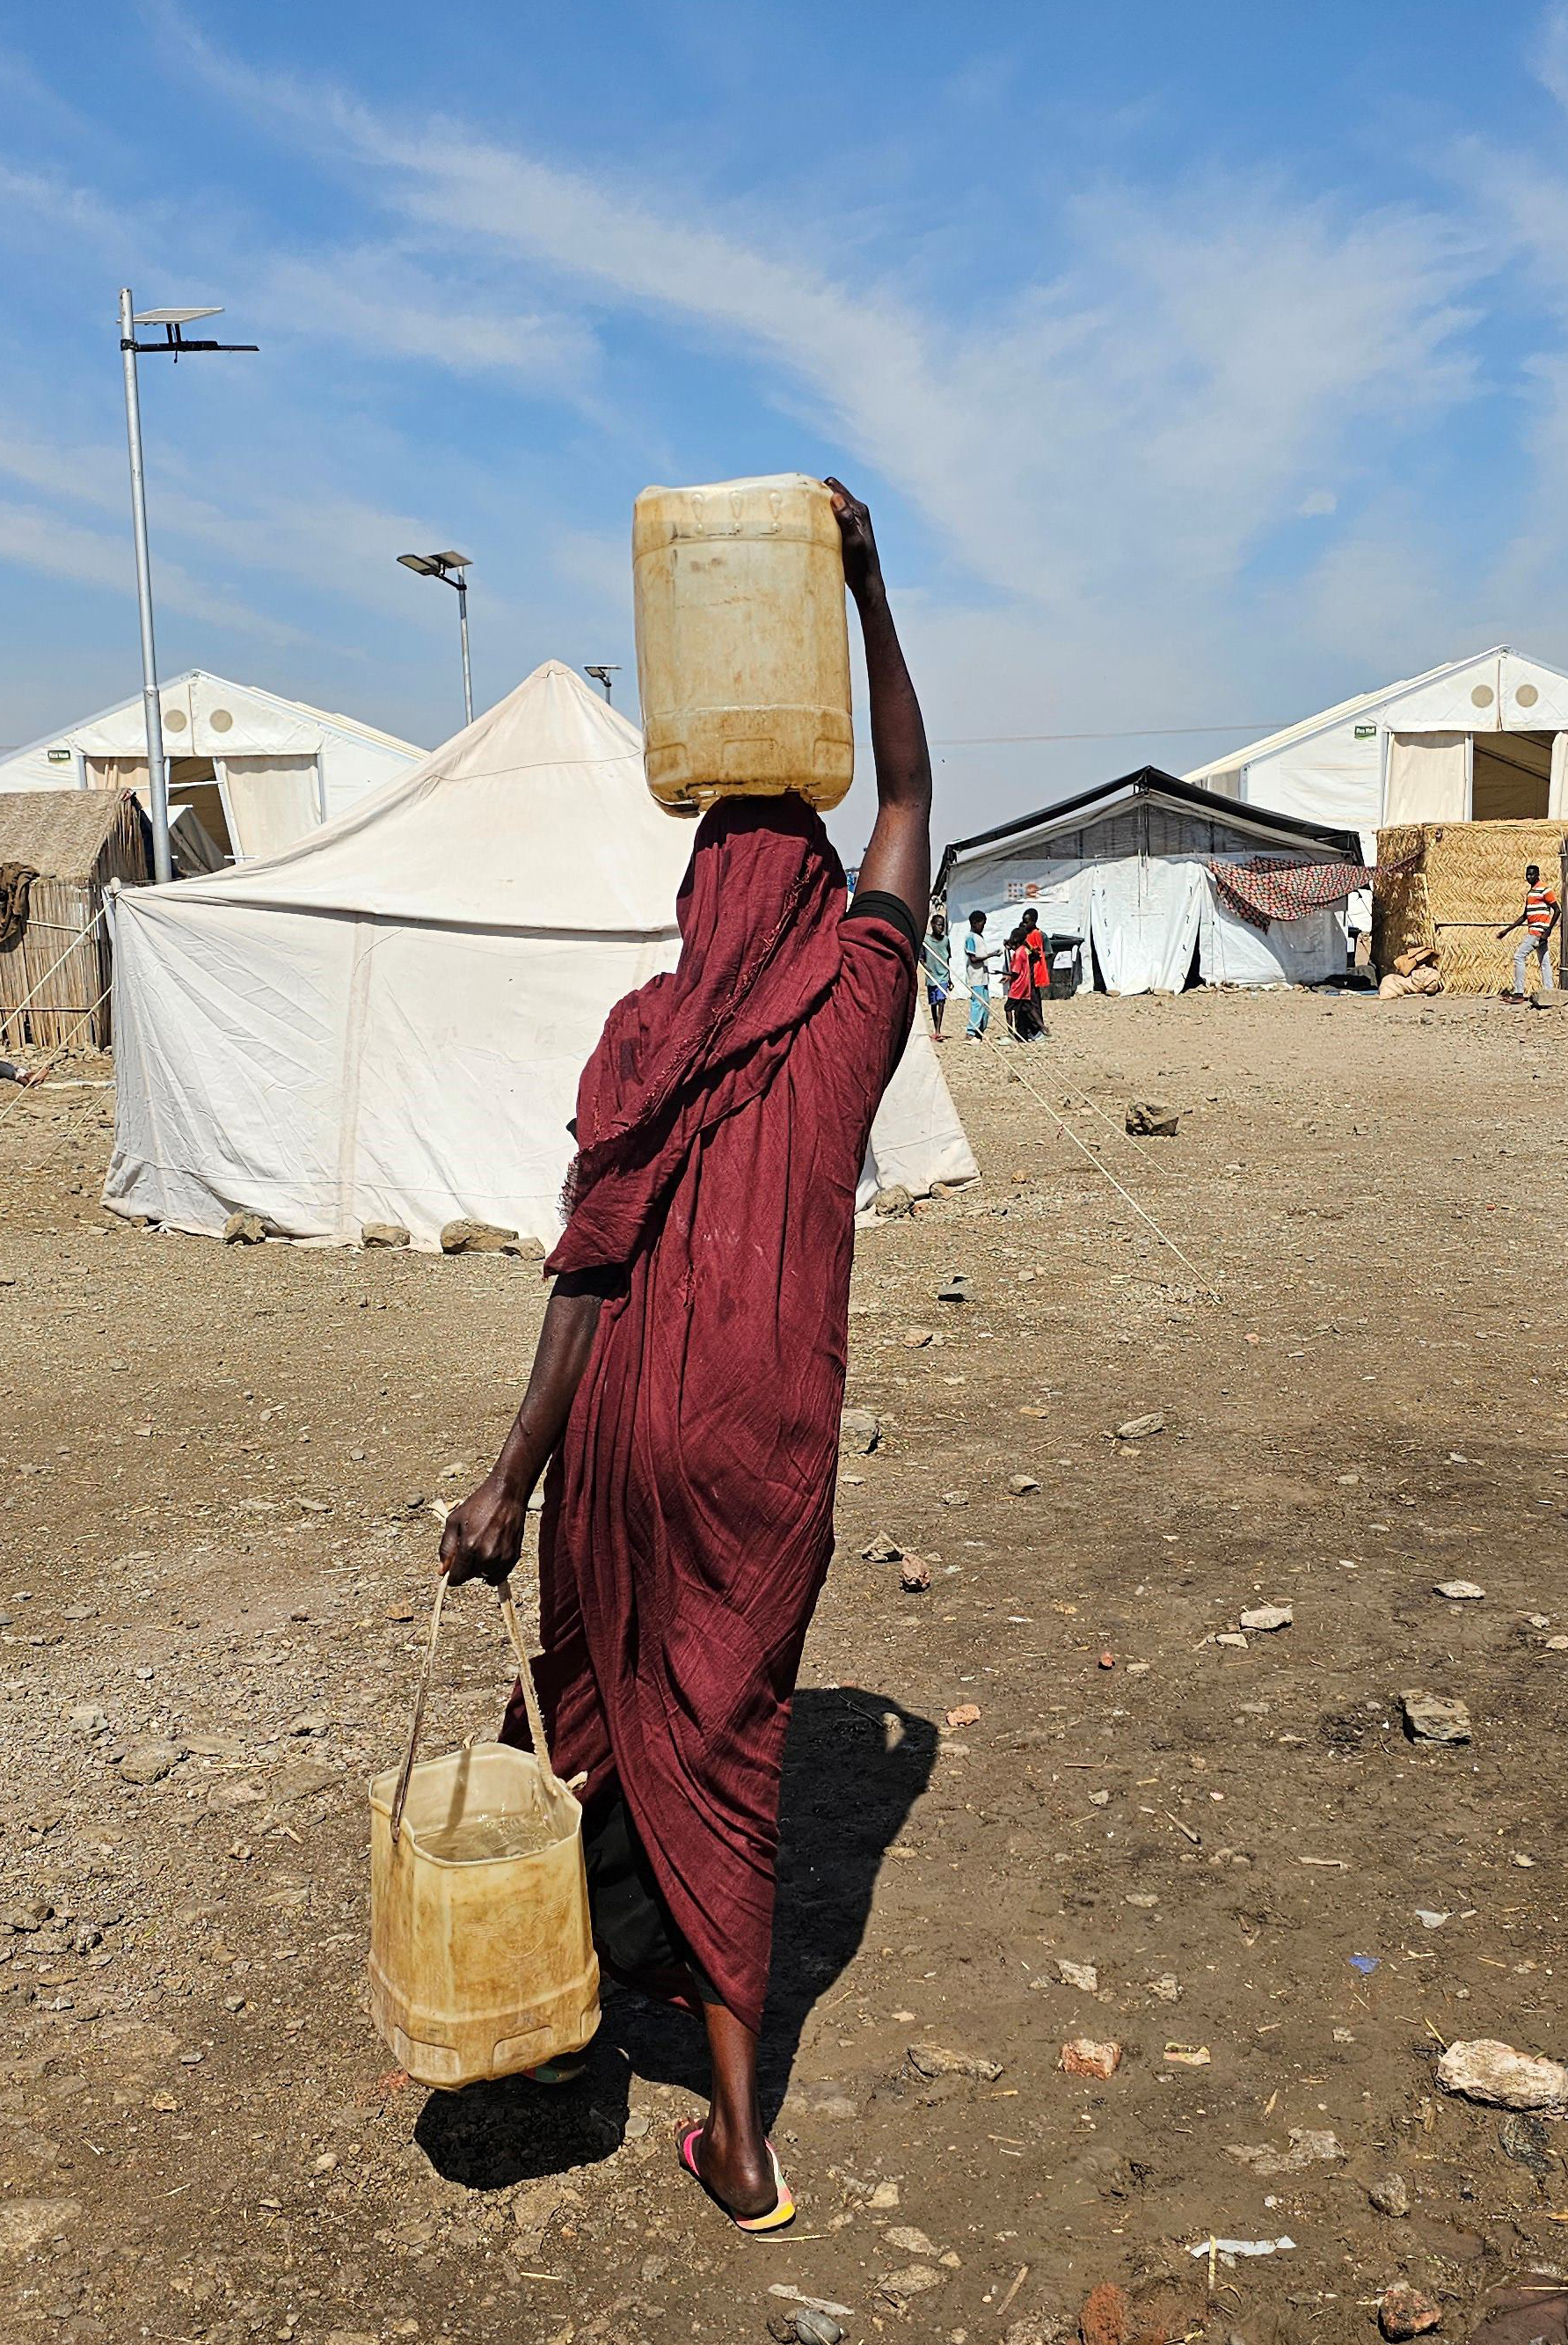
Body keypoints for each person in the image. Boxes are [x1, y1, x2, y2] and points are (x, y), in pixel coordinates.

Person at [441, 477, 930, 2236]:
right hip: (756, 1447)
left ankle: (540, 1991)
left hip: (617, 1444)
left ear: (687, 901)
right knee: (727, 1749)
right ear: (809, 900)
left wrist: (511, 1475)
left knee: (590, 1700)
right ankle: (739, 2141)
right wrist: (868, 593)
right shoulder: (851, 1008)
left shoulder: (639, 1035)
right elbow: (914, 799)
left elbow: (580, 1275)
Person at [1504, 863, 1562, 1000]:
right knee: (1544, 962)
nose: (1529, 877)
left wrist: (1547, 931)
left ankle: (1519, 992)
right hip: (1539, 933)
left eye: (1532, 874)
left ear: (1538, 875)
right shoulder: (1531, 893)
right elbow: (1525, 916)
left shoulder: (1544, 890)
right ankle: (1549, 991)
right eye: (1527, 875)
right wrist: (1507, 930)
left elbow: (1557, 910)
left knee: (1519, 956)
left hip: (1537, 932)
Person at [1005, 909, 1047, 1043]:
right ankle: (1028, 1031)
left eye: (1026, 921)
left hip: (1030, 978)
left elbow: (1039, 954)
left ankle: (1037, 1031)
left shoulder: (1036, 935)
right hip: (1026, 978)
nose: (1024, 923)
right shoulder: (1023, 940)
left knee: (1031, 1005)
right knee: (1025, 1007)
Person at [959, 909, 999, 1041]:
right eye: (982, 923)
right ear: (975, 923)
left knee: (985, 1003)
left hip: (983, 976)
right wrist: (992, 954)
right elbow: (973, 959)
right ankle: (971, 1032)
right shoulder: (970, 938)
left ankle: (980, 1030)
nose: (983, 927)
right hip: (975, 977)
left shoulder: (979, 937)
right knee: (978, 1003)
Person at [921, 909, 954, 1041]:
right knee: (933, 1004)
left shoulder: (946, 941)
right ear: (932, 925)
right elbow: (921, 958)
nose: (941, 928)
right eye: (939, 925)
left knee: (941, 1002)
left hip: (943, 977)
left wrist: (950, 978)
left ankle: (938, 1030)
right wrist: (926, 968)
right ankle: (935, 1027)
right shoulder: (926, 941)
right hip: (931, 977)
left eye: (943, 925)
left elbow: (947, 960)